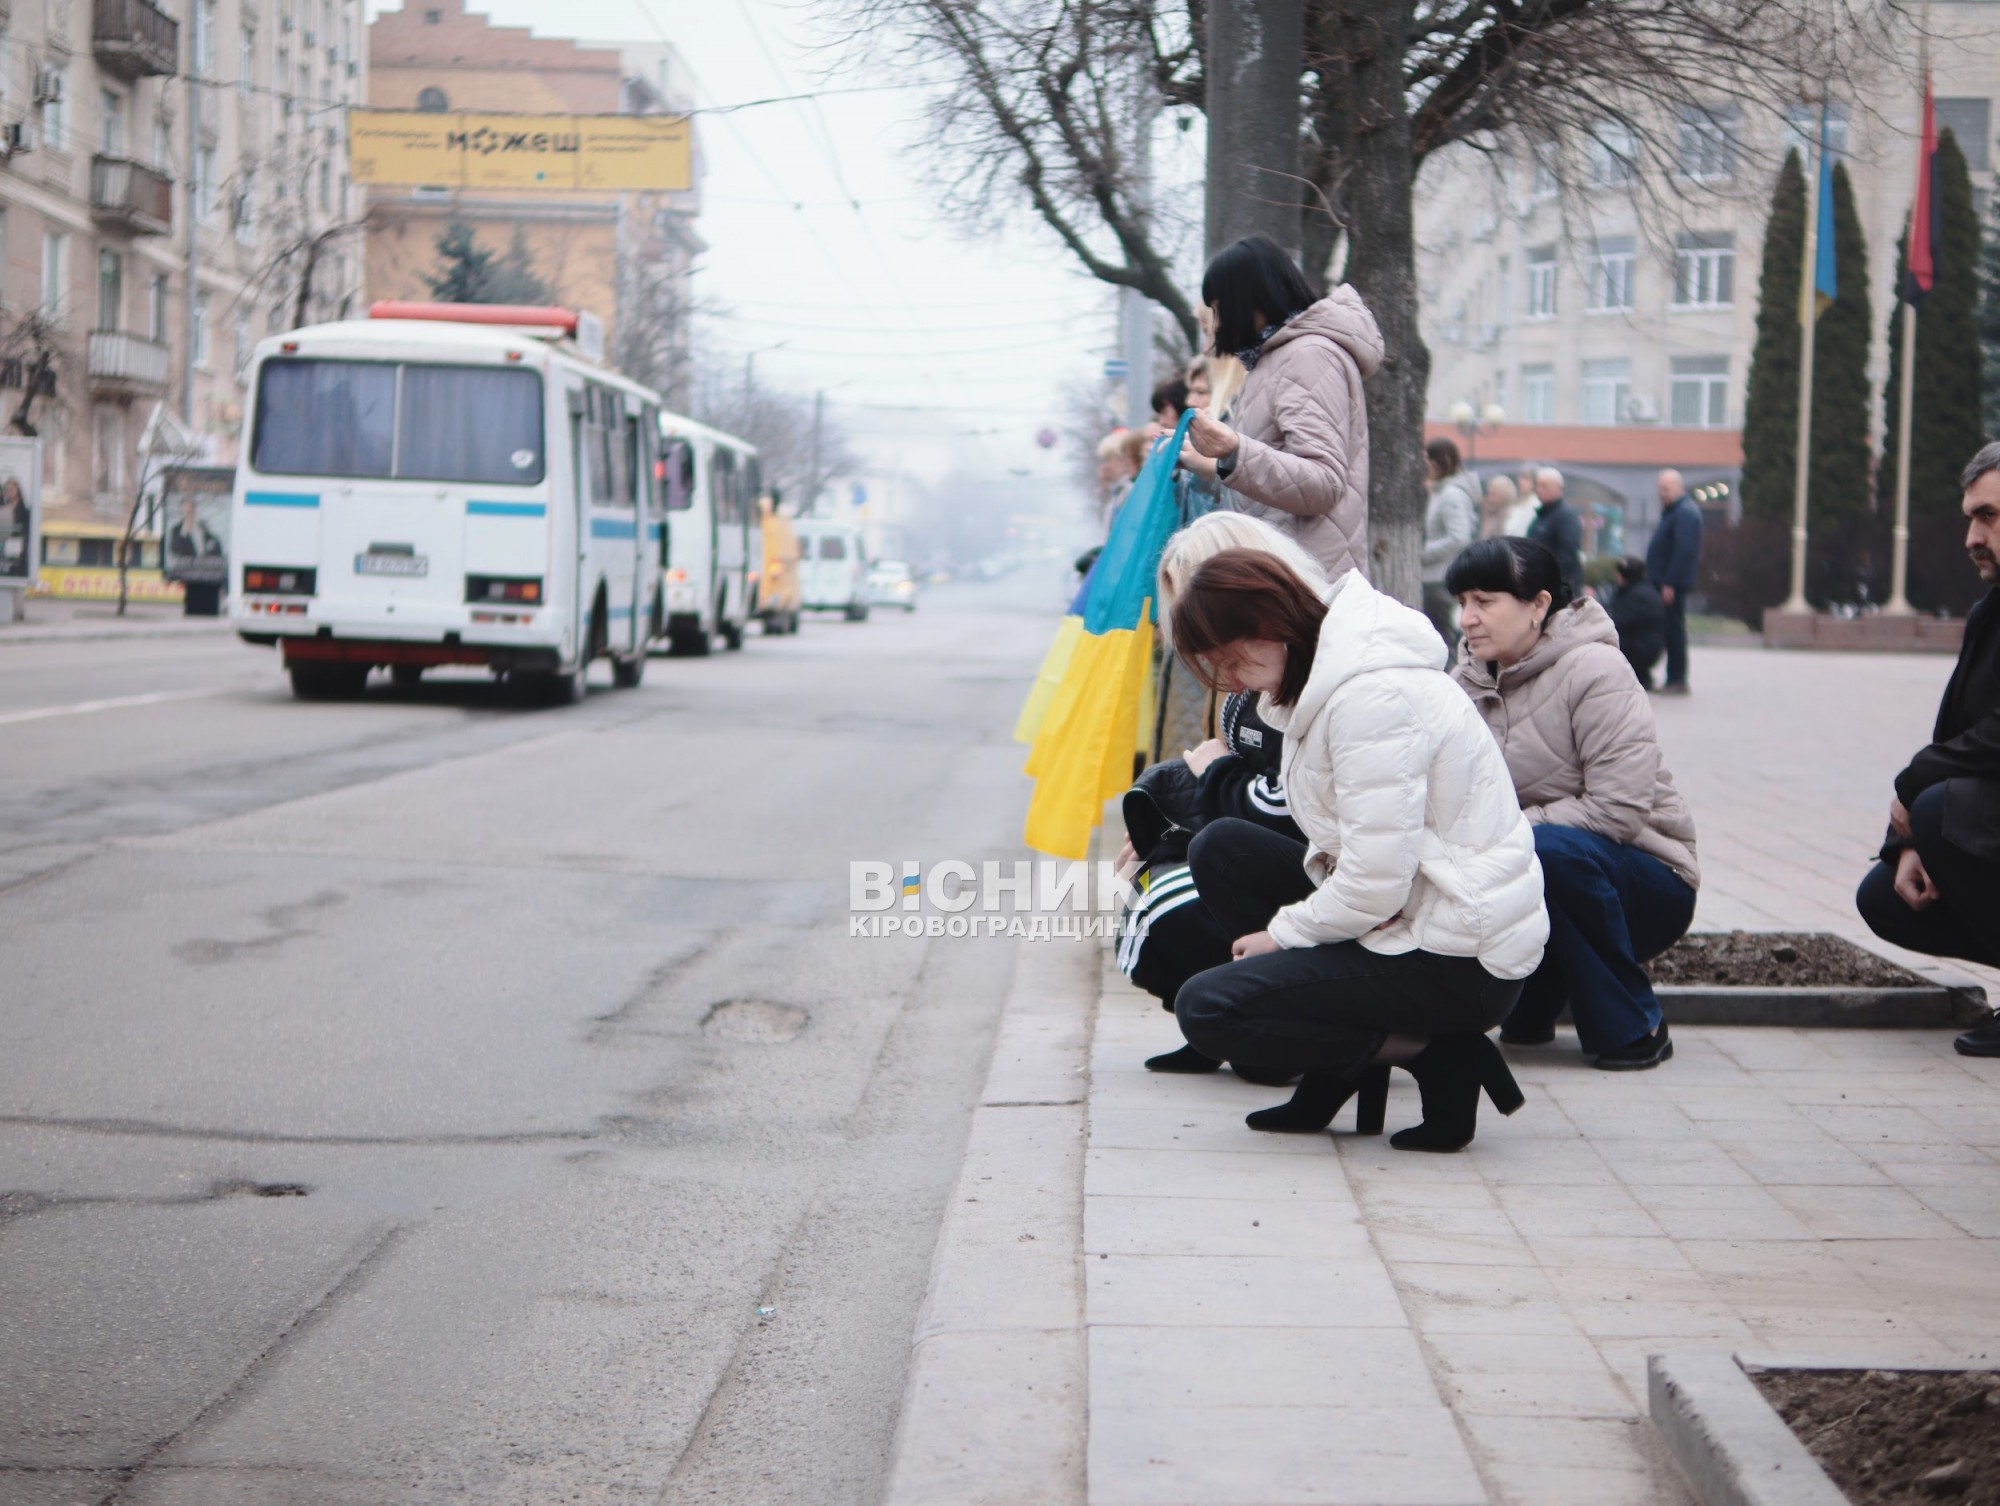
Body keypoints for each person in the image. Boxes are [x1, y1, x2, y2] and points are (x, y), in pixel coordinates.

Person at [1165, 549, 1548, 1152]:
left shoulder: (1371, 698)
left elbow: (1375, 882)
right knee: (1224, 849)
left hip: (1461, 954)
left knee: (1210, 1010)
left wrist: (1285, 934)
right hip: (1413, 911)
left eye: (1232, 658)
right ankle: (1342, 1071)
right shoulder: (1325, 679)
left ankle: (1439, 1052)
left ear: (1271, 625)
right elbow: (1356, 850)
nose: (1231, 678)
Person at [1448, 537, 1699, 1070]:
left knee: (1548, 850)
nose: (1467, 618)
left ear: (1539, 604)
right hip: (1533, 867)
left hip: (1645, 878)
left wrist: (1503, 835)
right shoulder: (1464, 682)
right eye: (1462, 602)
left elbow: (1618, 810)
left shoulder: (1596, 671)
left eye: (1484, 602)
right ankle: (1532, 1001)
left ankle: (1636, 1025)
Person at [1122, 513, 1332, 1081]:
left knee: (1171, 907)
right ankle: (1214, 1024)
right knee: (1145, 888)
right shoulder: (1250, 673)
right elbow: (1231, 772)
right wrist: (1162, 822)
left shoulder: (1303, 664)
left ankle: (1257, 1026)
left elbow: (1287, 801)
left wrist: (1213, 773)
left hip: (1313, 862)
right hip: (1267, 851)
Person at [1856, 443, 2000, 1056]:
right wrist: (1911, 840)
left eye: (1989, 516)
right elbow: (1957, 732)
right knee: (1886, 896)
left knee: (1947, 807)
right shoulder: (1990, 611)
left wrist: (1916, 790)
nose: (1973, 535)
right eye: (1971, 516)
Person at [1179, 234, 1385, 581]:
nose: (1217, 324)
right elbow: (1272, 486)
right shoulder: (1273, 360)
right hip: (1285, 579)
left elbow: (1323, 483)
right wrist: (1215, 465)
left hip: (1306, 584)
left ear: (1246, 299)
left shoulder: (1307, 357)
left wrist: (1234, 452)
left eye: (1218, 308)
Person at [1645, 469, 1703, 696]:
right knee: (1668, 630)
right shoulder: (1673, 512)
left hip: (1671, 584)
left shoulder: (1685, 513)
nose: (1661, 493)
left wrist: (1670, 582)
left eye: (1666, 489)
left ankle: (1677, 678)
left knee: (1673, 631)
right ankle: (1673, 678)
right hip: (1665, 582)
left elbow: (1684, 551)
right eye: (1660, 489)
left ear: (1679, 488)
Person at [1421, 437, 1480, 645]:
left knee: (1442, 639)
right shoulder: (1440, 493)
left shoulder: (1451, 495)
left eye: (1426, 461)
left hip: (1439, 578)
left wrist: (1422, 553)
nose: (1423, 467)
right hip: (1433, 576)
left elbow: (1459, 537)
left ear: (1439, 462)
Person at [1604, 556, 1666, 690]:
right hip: (1649, 648)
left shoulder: (1636, 596)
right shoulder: (1643, 590)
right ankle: (1642, 676)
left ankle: (1635, 676)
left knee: (1606, 640)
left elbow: (1616, 622)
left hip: (1641, 650)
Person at [1525, 467, 1584, 602]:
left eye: (1544, 485)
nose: (1538, 489)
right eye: (1537, 485)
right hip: (1540, 583)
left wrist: (1556, 580)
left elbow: (1568, 554)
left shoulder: (1565, 517)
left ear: (1558, 488)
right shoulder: (1541, 517)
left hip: (1557, 587)